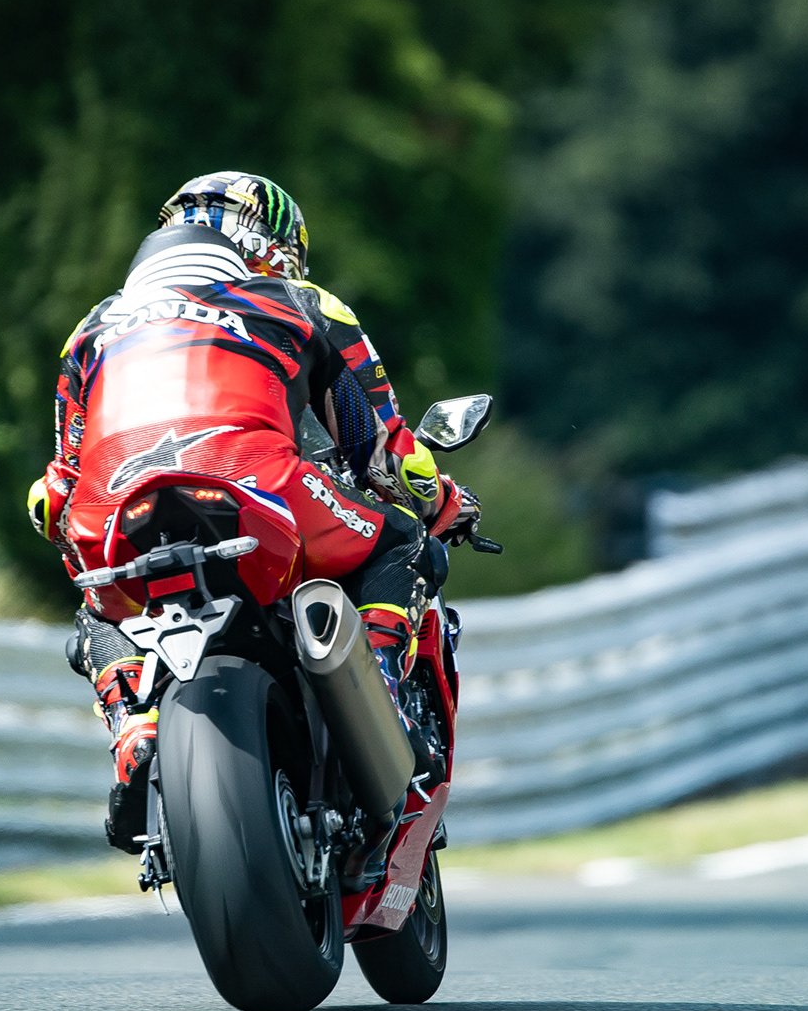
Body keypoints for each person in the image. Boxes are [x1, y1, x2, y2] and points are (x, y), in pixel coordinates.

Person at [27, 172, 481, 852]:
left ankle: (133, 728)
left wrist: (83, 537)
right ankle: (380, 695)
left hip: (116, 508)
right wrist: (444, 502)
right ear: (269, 245)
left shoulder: (89, 331)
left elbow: (52, 498)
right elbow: (385, 454)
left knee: (96, 611)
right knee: (403, 543)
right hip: (257, 487)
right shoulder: (299, 302)